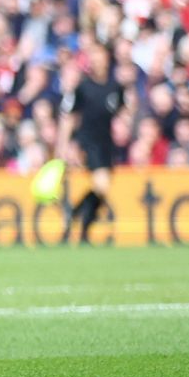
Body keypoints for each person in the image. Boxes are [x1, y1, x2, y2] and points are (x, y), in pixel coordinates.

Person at [59, 43, 124, 244]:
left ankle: (78, 220)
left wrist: (124, 126)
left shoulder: (115, 87)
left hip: (106, 142)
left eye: (99, 55)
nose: (96, 59)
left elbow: (121, 114)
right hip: (88, 141)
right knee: (101, 184)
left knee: (102, 188)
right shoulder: (83, 87)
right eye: (93, 55)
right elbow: (69, 117)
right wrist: (65, 145)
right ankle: (79, 218)